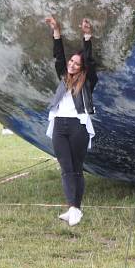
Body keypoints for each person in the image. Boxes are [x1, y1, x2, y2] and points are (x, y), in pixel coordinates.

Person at [44, 16, 98, 226]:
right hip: (59, 125)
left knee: (76, 167)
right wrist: (56, 31)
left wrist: (87, 36)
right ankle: (73, 208)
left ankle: (75, 208)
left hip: (78, 126)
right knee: (65, 167)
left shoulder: (88, 81)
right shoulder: (63, 77)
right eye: (71, 62)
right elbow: (58, 57)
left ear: (82, 67)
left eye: (76, 63)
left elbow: (90, 62)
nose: (72, 64)